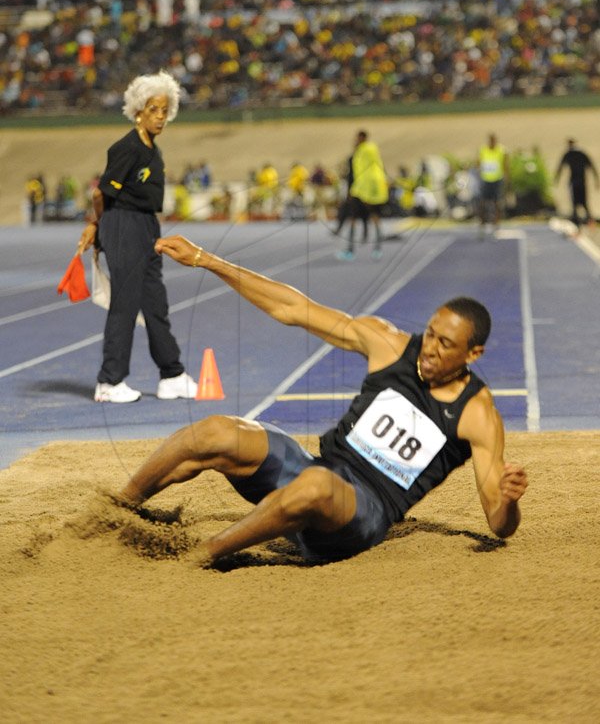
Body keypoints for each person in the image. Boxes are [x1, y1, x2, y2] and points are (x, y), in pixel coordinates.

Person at [109, 234, 528, 568]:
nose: (430, 348)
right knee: (217, 431)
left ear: (473, 355)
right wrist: (207, 259)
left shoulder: (478, 414)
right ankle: (115, 511)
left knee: (317, 486)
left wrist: (508, 502)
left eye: (446, 344)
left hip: (360, 515)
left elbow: (497, 522)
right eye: (431, 333)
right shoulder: (390, 345)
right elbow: (293, 307)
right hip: (316, 470)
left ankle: (196, 556)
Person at [78, 71, 197, 403]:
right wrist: (96, 226)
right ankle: (109, 381)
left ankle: (171, 374)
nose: (160, 116)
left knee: (155, 304)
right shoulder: (126, 148)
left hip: (147, 227)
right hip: (121, 224)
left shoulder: (153, 152)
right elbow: (101, 195)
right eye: (153, 109)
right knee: (125, 304)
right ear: (138, 111)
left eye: (164, 110)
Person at [337, 130, 389, 262]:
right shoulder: (368, 153)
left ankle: (361, 250)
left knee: (364, 219)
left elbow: (354, 174)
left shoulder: (362, 153)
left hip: (363, 190)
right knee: (365, 219)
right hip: (366, 190)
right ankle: (371, 249)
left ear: (362, 138)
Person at [554, 138, 599, 231]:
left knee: (577, 202)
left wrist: (556, 179)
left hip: (575, 182)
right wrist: (596, 179)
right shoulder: (580, 153)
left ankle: (581, 223)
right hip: (581, 181)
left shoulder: (570, 154)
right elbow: (592, 167)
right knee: (583, 202)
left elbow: (560, 167)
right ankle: (585, 223)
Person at [477, 133, 510, 237]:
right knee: (483, 203)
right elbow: (478, 163)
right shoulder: (483, 150)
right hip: (486, 180)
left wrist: (507, 178)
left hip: (497, 179)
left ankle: (496, 224)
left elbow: (505, 165)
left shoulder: (501, 150)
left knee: (497, 203)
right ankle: (483, 224)